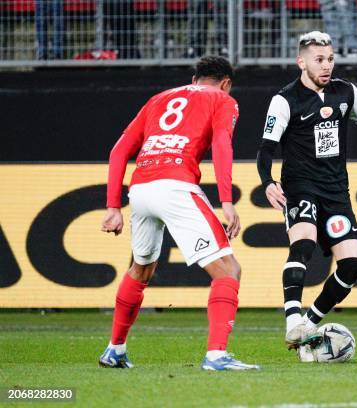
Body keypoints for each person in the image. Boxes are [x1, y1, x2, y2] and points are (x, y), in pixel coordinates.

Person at [99, 56, 259, 371]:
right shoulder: (223, 99)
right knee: (229, 270)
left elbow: (118, 150)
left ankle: (114, 350)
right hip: (175, 187)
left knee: (140, 269)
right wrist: (226, 201)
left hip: (141, 189)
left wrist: (113, 207)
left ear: (195, 78)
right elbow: (222, 143)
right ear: (225, 83)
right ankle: (216, 356)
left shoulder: (159, 99)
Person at [256, 31, 357, 359]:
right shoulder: (285, 100)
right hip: (300, 187)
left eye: (330, 59)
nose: (326, 65)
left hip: (336, 192)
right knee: (303, 245)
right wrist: (267, 181)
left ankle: (309, 323)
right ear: (302, 62)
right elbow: (266, 148)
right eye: (319, 60)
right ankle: (292, 320)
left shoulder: (346, 92)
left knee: (353, 266)